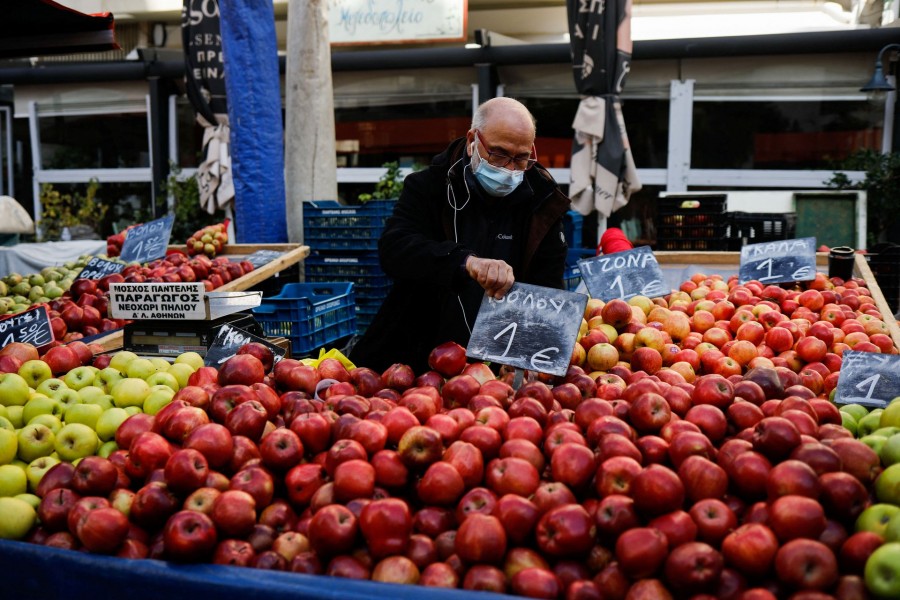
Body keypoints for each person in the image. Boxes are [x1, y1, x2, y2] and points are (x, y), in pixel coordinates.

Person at [349, 97, 572, 374]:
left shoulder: (543, 203)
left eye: (521, 158)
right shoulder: (429, 186)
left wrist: (524, 360)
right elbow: (394, 249)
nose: (510, 169)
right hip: (415, 356)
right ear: (472, 140)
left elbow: (547, 288)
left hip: (500, 364)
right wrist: (465, 262)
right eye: (499, 154)